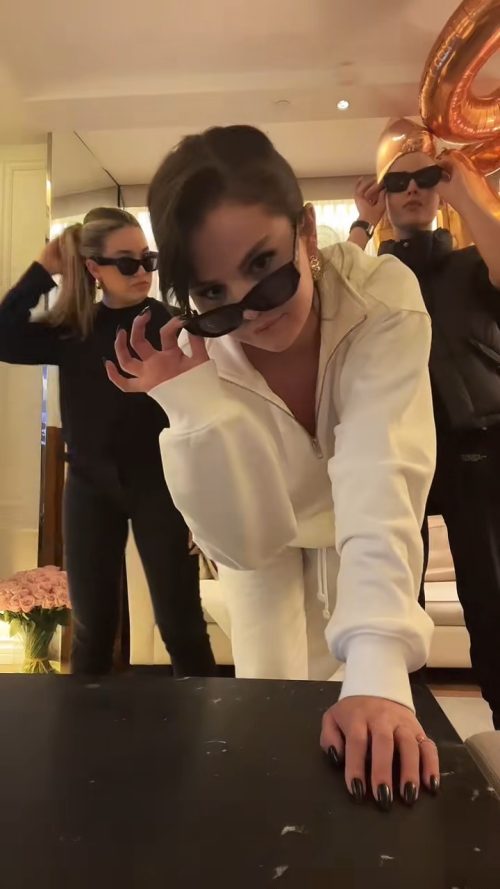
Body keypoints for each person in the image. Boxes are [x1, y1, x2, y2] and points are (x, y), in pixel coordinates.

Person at [107, 125, 440, 809]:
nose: (251, 311)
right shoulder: (203, 354)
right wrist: (195, 404)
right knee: (269, 733)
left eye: (267, 267)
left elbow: (380, 469)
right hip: (268, 547)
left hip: (365, 524)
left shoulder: (381, 299)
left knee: (375, 705)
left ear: (307, 231)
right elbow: (245, 544)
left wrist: (378, 669)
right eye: (214, 295)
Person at [0, 207, 215, 678]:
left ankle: (205, 722)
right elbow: (3, 335)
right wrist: (42, 270)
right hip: (89, 489)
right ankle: (85, 726)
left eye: (147, 259)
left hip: (160, 486)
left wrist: (202, 497)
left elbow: (202, 412)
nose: (142, 272)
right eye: (126, 262)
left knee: (180, 625)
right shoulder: (73, 330)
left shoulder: (170, 326)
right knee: (92, 631)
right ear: (94, 268)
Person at [350, 118, 500, 730]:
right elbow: (326, 308)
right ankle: (405, 727)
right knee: (394, 596)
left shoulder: (471, 264)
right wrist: (361, 227)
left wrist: (468, 194)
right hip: (396, 450)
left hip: (478, 446)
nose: (412, 189)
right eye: (397, 182)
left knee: (492, 597)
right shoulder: (368, 276)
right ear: (384, 195)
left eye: (425, 178)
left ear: (439, 188)